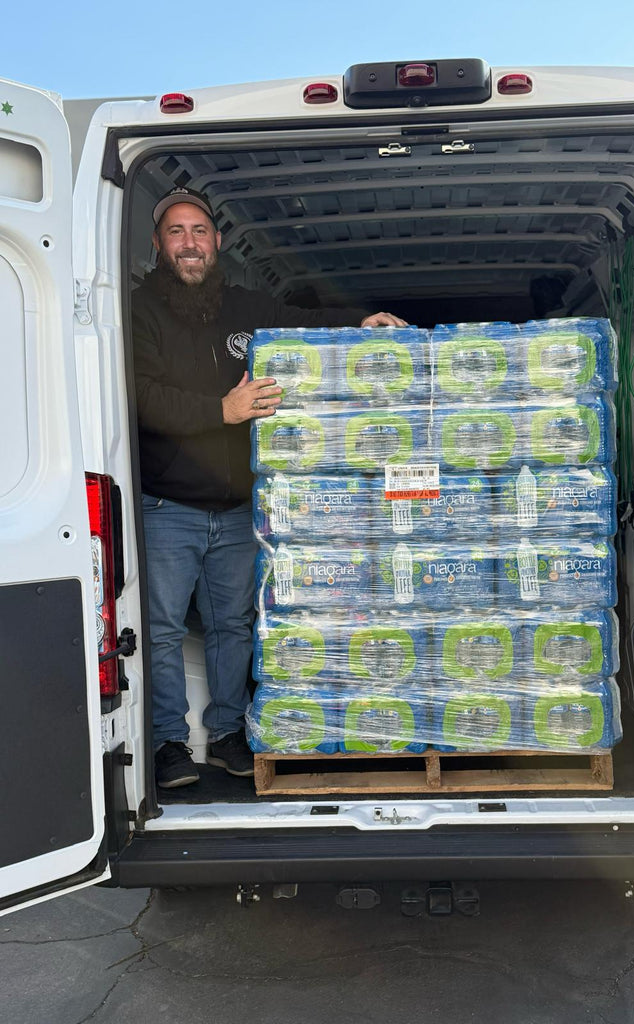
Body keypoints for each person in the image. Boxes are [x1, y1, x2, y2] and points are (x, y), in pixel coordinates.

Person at [132, 185, 407, 788]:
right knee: (161, 631)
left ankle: (228, 733)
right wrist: (220, 410)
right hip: (168, 506)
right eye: (176, 233)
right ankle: (169, 746)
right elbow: (143, 396)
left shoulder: (241, 307)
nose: (189, 244)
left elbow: (299, 323)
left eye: (199, 232)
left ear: (217, 242)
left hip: (237, 508)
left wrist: (358, 322)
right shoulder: (140, 312)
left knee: (234, 626)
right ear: (158, 245)